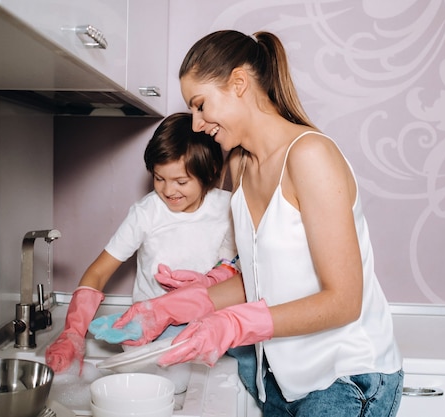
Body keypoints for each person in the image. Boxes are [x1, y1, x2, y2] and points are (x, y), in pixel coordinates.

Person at [113, 30, 403, 417]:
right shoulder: (241, 166)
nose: (197, 125)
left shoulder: (310, 155)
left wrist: (231, 324)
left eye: (200, 105)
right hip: (281, 380)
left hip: (345, 379)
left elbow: (344, 301)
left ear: (238, 83)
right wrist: (171, 308)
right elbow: (260, 281)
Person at [44, 112, 238, 377]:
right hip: (147, 333)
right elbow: (99, 272)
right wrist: (73, 333)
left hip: (206, 327)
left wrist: (209, 281)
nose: (169, 191)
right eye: (159, 179)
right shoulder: (146, 213)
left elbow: (238, 269)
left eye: (181, 181)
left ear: (210, 172)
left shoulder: (229, 208)